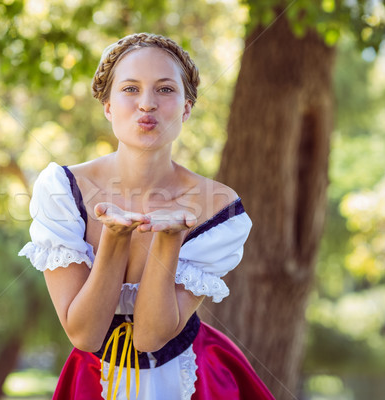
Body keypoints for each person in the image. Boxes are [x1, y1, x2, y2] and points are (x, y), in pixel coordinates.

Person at [19, 33, 274, 400]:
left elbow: (151, 335)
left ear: (187, 107)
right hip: (94, 378)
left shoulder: (219, 208)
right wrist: (115, 237)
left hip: (195, 376)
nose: (147, 104)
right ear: (107, 106)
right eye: (130, 89)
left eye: (166, 89)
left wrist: (169, 238)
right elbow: (85, 335)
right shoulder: (64, 189)